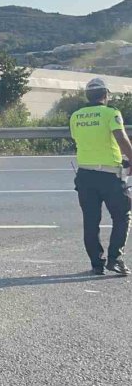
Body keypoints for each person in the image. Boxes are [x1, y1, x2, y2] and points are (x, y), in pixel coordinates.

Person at [70, 78, 132, 275]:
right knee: (122, 216)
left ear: (87, 96)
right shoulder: (111, 113)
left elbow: (81, 140)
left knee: (91, 221)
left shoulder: (76, 116)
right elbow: (121, 138)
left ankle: (96, 264)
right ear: (105, 95)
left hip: (85, 175)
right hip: (110, 176)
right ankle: (115, 259)